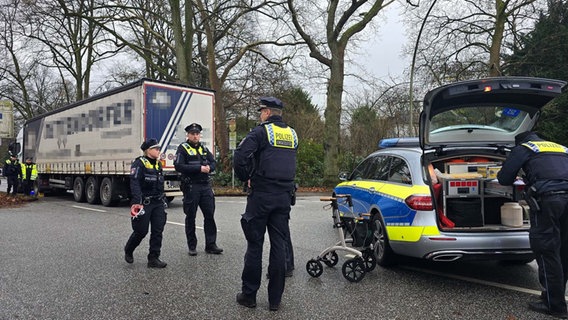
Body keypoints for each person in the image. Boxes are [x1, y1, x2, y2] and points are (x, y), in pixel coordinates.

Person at [234, 97, 298, 312]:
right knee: (279, 246)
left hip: (261, 195)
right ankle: (275, 300)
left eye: (261, 111)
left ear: (268, 113)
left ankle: (249, 296)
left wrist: (246, 176)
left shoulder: (261, 132)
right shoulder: (292, 134)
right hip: (283, 197)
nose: (260, 114)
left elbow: (240, 156)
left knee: (255, 245)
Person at [497, 131, 568, 319]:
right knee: (563, 250)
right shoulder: (560, 147)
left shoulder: (524, 148)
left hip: (550, 200)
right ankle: (554, 297)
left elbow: (504, 178)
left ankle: (555, 306)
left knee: (546, 249)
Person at [174, 123, 222, 256]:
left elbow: (213, 163)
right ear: (188, 135)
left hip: (205, 186)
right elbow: (179, 166)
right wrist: (199, 168)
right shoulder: (182, 149)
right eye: (192, 134)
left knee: (209, 216)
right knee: (191, 217)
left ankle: (211, 245)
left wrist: (209, 168)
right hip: (191, 186)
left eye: (197, 134)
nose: (195, 136)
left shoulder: (204, 148)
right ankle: (192, 246)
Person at [124, 138, 168, 268]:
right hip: (144, 202)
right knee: (141, 231)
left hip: (158, 202)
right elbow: (135, 183)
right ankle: (129, 249)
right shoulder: (139, 163)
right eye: (156, 149)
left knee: (158, 230)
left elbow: (160, 184)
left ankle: (153, 258)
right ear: (148, 150)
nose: (159, 151)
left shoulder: (158, 164)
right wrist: (137, 202)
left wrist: (163, 200)